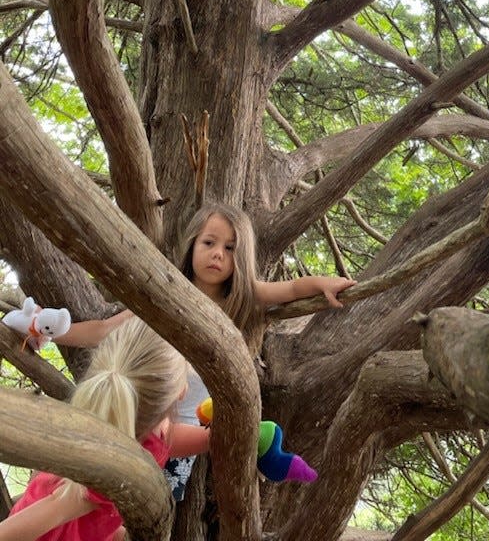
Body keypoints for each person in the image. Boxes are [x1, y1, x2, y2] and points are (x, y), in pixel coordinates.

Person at [164, 202, 355, 500]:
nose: (218, 253)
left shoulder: (241, 295)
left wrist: (323, 283)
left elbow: (291, 289)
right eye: (209, 242)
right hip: (145, 414)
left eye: (230, 248)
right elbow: (113, 326)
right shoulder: (168, 289)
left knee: (152, 504)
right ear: (191, 245)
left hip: (188, 434)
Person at [0, 318, 210, 541]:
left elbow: (167, 440)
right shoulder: (109, 465)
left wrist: (210, 439)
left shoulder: (141, 426)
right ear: (179, 392)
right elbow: (56, 507)